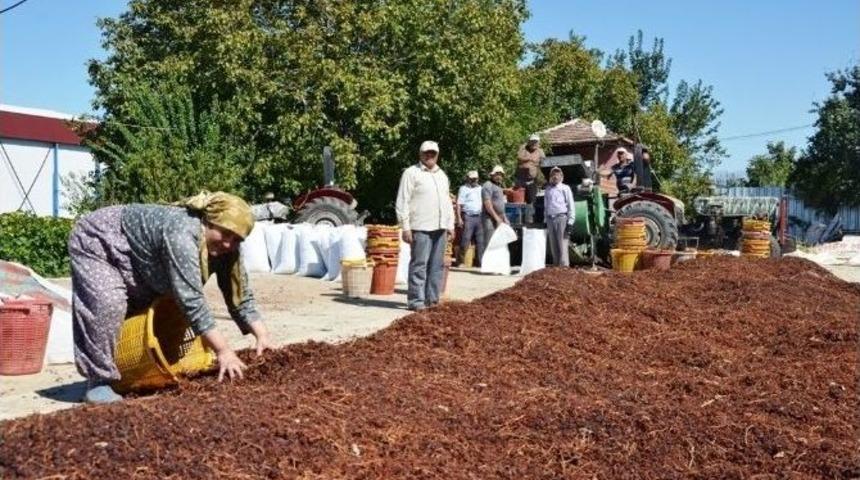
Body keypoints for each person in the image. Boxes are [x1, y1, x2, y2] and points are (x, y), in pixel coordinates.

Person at [69, 191, 273, 404]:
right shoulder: (182, 233)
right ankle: (99, 380)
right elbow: (191, 299)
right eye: (225, 234)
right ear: (209, 222)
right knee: (109, 303)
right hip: (101, 239)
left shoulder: (228, 250)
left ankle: (124, 368)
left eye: (237, 240)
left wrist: (262, 335)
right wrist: (223, 351)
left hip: (141, 259)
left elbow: (239, 293)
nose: (228, 244)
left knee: (154, 310)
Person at [395, 141, 455, 311]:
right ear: (420, 154)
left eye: (433, 153)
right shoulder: (411, 173)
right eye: (426, 153)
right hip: (420, 226)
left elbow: (447, 201)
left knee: (437, 266)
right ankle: (416, 301)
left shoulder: (442, 175)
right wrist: (405, 227)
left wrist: (450, 225)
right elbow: (402, 201)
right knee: (419, 265)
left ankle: (432, 300)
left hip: (440, 226)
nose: (430, 156)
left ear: (437, 155)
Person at [543, 167, 575, 267]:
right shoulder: (548, 189)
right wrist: (545, 219)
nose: (555, 176)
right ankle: (556, 267)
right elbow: (546, 205)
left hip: (561, 218)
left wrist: (570, 221)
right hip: (550, 219)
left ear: (561, 176)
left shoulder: (565, 188)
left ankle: (564, 267)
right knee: (553, 244)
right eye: (553, 174)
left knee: (562, 243)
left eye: (557, 174)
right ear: (550, 177)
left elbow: (571, 205)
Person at [455, 170, 484, 266]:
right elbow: (459, 204)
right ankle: (461, 261)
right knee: (466, 239)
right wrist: (459, 218)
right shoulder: (463, 189)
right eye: (471, 179)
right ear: (468, 178)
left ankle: (480, 262)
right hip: (468, 216)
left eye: (475, 179)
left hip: (479, 216)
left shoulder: (481, 188)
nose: (473, 181)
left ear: (478, 179)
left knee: (480, 241)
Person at [516, 134, 545, 213]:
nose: (534, 143)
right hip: (521, 181)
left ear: (538, 142)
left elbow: (543, 164)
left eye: (536, 141)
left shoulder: (540, 151)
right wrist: (529, 159)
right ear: (529, 142)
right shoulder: (523, 149)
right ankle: (520, 219)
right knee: (520, 201)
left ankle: (531, 219)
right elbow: (519, 157)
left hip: (532, 181)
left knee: (532, 201)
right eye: (532, 141)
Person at [482, 165, 509, 249]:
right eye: (497, 174)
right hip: (489, 218)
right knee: (490, 242)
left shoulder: (499, 186)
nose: (499, 176)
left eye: (501, 175)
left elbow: (500, 204)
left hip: (499, 218)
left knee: (498, 243)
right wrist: (496, 218)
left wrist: (504, 217)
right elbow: (487, 204)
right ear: (492, 175)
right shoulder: (487, 185)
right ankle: (486, 262)